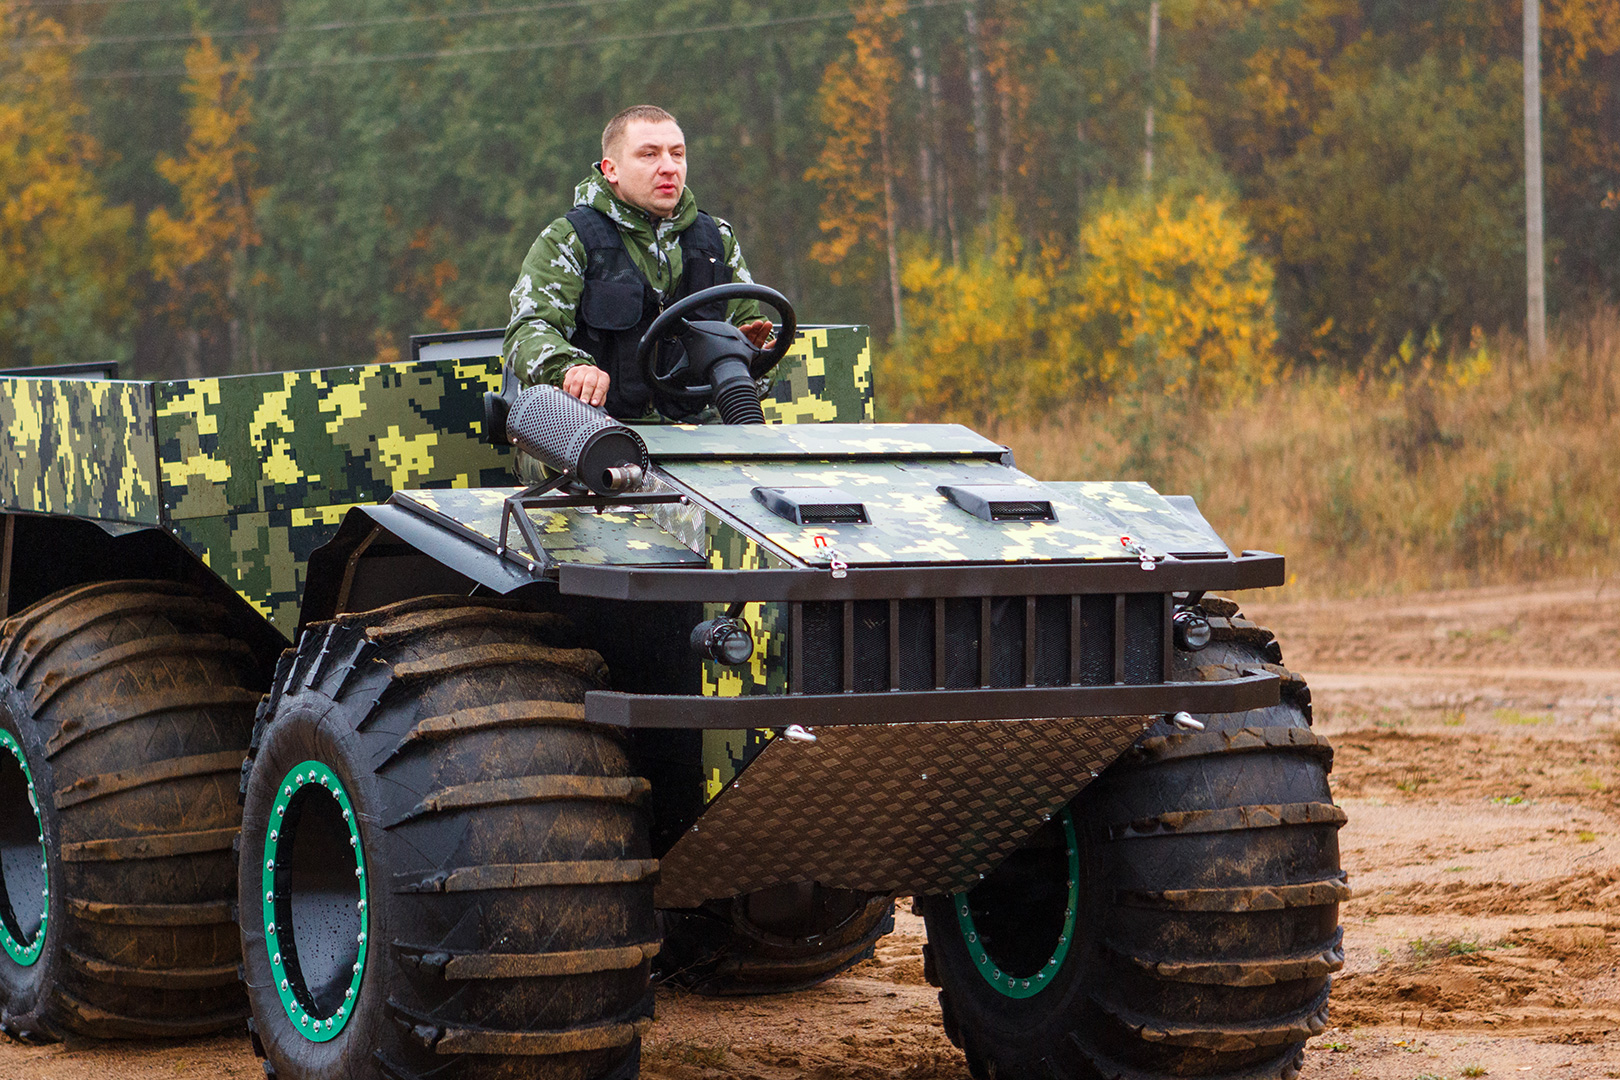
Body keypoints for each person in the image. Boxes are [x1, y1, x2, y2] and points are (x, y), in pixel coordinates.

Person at [504, 104, 772, 421]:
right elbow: (528, 332)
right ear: (611, 169)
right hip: (594, 430)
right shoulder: (571, 239)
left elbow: (757, 336)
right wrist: (571, 368)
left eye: (677, 154)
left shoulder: (717, 241)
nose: (669, 167)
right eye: (649, 155)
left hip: (697, 430)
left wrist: (747, 356)